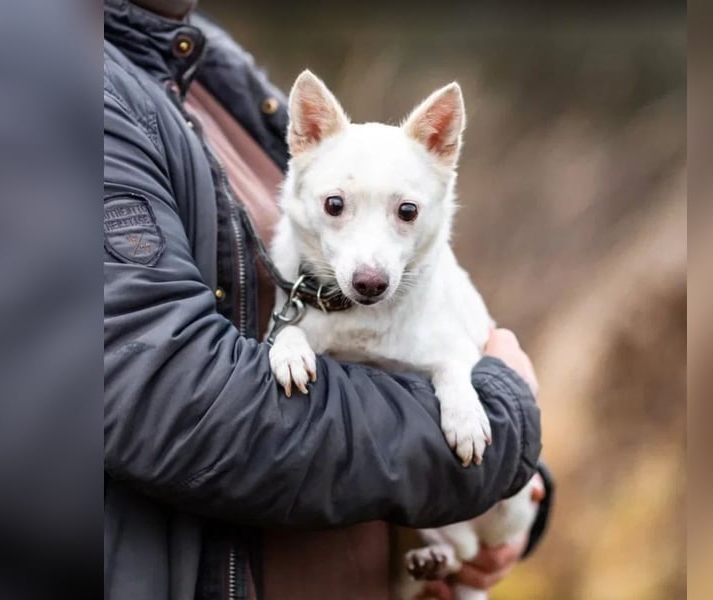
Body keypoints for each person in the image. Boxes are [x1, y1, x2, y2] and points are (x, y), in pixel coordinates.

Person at [103, 1, 554, 598]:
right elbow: (176, 403)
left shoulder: (205, 58)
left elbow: (451, 346)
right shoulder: (66, 91)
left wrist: (514, 488)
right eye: (337, 209)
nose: (368, 264)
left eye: (404, 214)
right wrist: (504, 430)